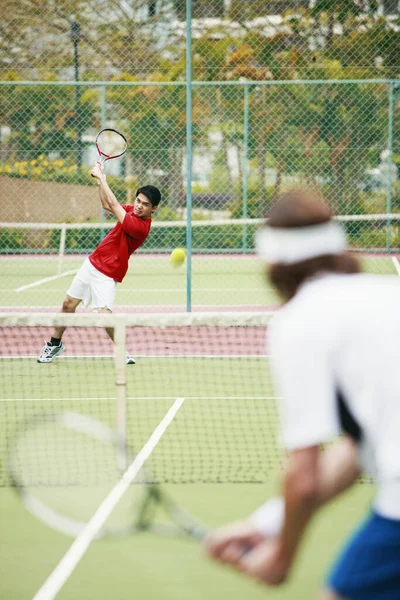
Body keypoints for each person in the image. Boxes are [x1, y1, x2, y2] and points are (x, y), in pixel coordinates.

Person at [205, 188, 400, 600]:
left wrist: (281, 558)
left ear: (273, 263)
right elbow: (355, 449)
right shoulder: (389, 294)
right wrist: (266, 524)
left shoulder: (299, 322)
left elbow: (304, 475)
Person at [37, 161, 161, 365]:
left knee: (104, 315)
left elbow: (113, 204)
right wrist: (99, 181)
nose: (139, 206)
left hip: (108, 273)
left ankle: (122, 351)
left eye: (145, 204)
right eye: (138, 201)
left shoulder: (140, 227)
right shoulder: (132, 210)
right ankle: (54, 344)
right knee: (68, 305)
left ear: (153, 208)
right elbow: (107, 205)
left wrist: (102, 178)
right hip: (92, 263)